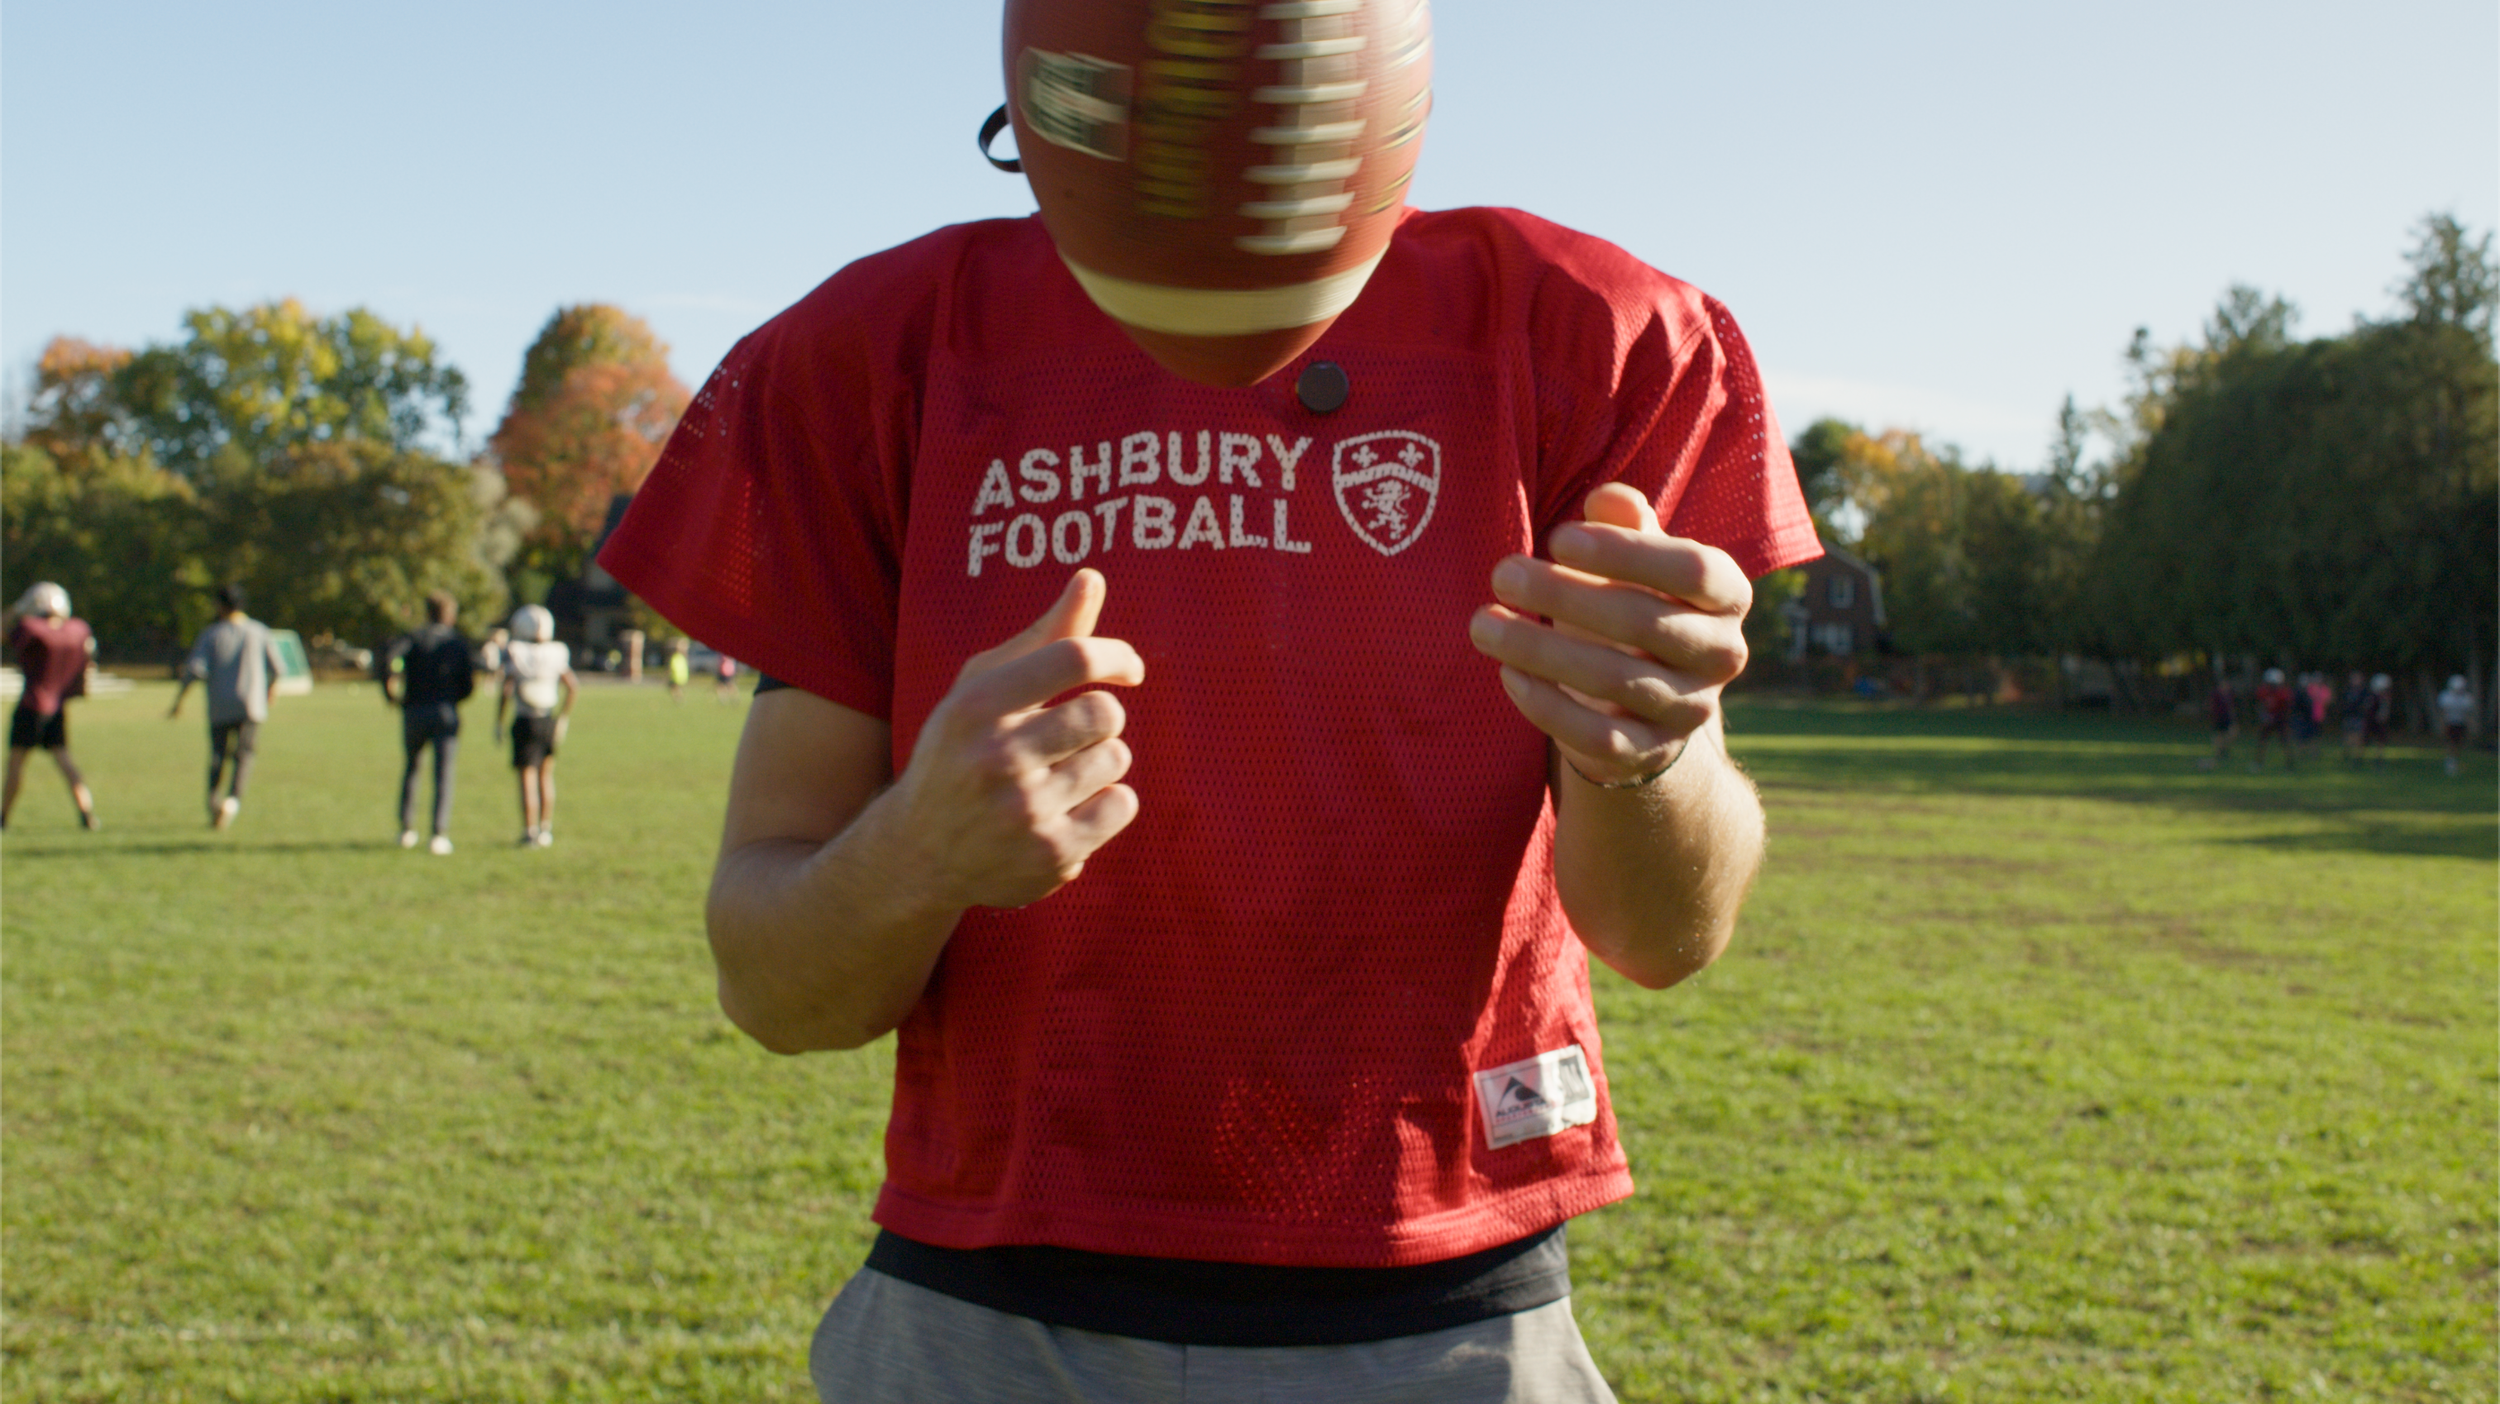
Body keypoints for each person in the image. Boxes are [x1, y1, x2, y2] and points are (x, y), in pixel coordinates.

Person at [596, 17, 1820, 1399]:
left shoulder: (1585, 333)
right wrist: (919, 847)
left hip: (1444, 1302)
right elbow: (775, 989)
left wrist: (1647, 750)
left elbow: (1665, 935)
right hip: (992, 1306)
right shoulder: (877, 357)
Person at [168, 583, 289, 828]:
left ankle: (214, 804)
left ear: (220, 606)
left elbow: (195, 670)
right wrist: (270, 692)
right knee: (244, 756)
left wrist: (179, 701)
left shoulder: (212, 634)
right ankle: (232, 802)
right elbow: (278, 669)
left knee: (217, 757)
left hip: (220, 706)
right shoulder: (259, 631)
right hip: (251, 706)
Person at [382, 591, 475, 854]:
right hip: (445, 712)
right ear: (449, 614)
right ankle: (438, 833)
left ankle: (406, 829)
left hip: (414, 710)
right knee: (443, 773)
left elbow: (389, 658)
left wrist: (391, 692)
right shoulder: (456, 642)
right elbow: (468, 683)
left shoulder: (414, 637)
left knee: (412, 768)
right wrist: (455, 698)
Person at [2, 582, 97, 832]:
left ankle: (3, 816)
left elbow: (4, 634)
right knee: (65, 760)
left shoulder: (31, 629)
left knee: (15, 764)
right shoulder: (77, 630)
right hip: (57, 706)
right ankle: (87, 812)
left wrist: (15, 611)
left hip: (31, 704)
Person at [494, 604, 577, 847]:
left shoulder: (517, 652)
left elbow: (507, 689)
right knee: (546, 775)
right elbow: (572, 686)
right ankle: (545, 829)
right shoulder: (557, 652)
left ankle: (529, 831)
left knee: (527, 777)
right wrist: (563, 717)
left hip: (525, 719)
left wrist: (499, 721)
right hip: (548, 718)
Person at [2251, 667, 2294, 772]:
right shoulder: (2263, 691)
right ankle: (2258, 762)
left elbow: (2287, 708)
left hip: (2280, 719)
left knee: (2284, 742)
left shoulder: (2283, 692)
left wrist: (2276, 717)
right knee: (2262, 741)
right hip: (2267, 719)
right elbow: (2258, 704)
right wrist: (2263, 715)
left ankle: (2290, 763)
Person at [2437, 674, 2475, 776]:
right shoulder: (2445, 697)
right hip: (2450, 723)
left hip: (2460, 723)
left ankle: (2454, 762)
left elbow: (2468, 714)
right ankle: (2450, 764)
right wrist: (2442, 726)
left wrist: (2470, 727)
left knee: (2458, 744)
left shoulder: (2467, 698)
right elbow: (2443, 713)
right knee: (2451, 743)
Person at [2204, 673, 2237, 770]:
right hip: (2218, 717)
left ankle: (2223, 748)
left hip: (2227, 717)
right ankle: (2220, 752)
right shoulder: (2215, 694)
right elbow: (2210, 705)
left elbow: (2231, 706)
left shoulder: (2229, 694)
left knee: (2232, 733)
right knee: (2219, 735)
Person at [2339, 671, 2372, 765]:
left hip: (2359, 717)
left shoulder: (2364, 691)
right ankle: (2349, 755)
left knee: (2359, 737)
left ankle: (2357, 757)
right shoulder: (2347, 691)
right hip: (2349, 717)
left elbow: (2367, 704)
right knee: (2348, 737)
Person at [2365, 673, 2395, 766]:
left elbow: (2385, 711)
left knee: (2380, 741)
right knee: (2365, 740)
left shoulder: (2385, 698)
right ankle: (2358, 758)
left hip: (2380, 723)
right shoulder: (2372, 697)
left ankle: (2379, 759)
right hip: (2371, 721)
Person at [668, 638, 692, 703]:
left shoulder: (676, 657)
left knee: (673, 688)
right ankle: (679, 698)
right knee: (675, 688)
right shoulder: (682, 657)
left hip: (676, 676)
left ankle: (679, 699)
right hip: (682, 676)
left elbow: (672, 667)